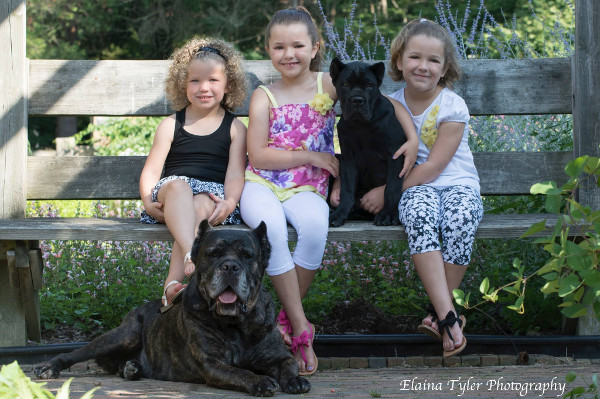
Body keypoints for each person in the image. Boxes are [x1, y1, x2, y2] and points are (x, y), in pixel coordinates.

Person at [239, 6, 337, 376]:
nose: (289, 54)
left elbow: (377, 103)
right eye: (279, 47)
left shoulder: (328, 84)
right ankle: (301, 329)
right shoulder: (264, 95)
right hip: (261, 184)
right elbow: (259, 155)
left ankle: (282, 320)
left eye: (298, 45)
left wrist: (409, 135)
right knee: (274, 233)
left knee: (314, 228)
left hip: (308, 187)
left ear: (315, 47)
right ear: (268, 49)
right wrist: (311, 153)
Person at [387, 18, 483, 358]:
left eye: (433, 60)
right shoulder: (390, 104)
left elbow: (434, 166)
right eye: (414, 57)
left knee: (459, 217)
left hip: (455, 183)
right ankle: (449, 317)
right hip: (416, 189)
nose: (423, 66)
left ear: (445, 68)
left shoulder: (452, 106)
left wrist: (386, 194)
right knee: (418, 214)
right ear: (399, 61)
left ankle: (440, 316)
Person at [139, 37, 248, 311]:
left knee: (199, 204)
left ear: (228, 85)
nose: (204, 88)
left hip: (210, 198)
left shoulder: (235, 128)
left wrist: (230, 202)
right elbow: (151, 171)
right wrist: (147, 202)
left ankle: (171, 288)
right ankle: (194, 254)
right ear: (182, 84)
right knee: (179, 188)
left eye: (212, 80)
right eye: (194, 81)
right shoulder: (170, 125)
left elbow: (235, 175)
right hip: (172, 194)